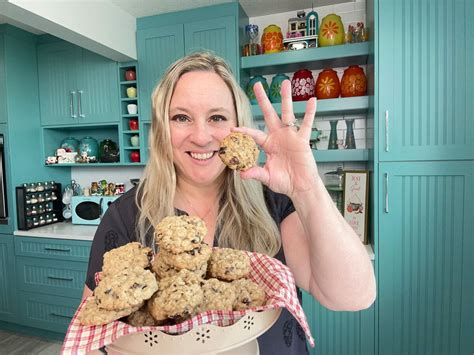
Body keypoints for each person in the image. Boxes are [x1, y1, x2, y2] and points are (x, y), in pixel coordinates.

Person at [81, 52, 376, 354]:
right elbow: (92, 335)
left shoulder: (275, 203)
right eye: (181, 117)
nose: (201, 136)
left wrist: (306, 187)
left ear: (238, 126)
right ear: (161, 130)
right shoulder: (125, 215)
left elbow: (353, 296)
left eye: (217, 117)